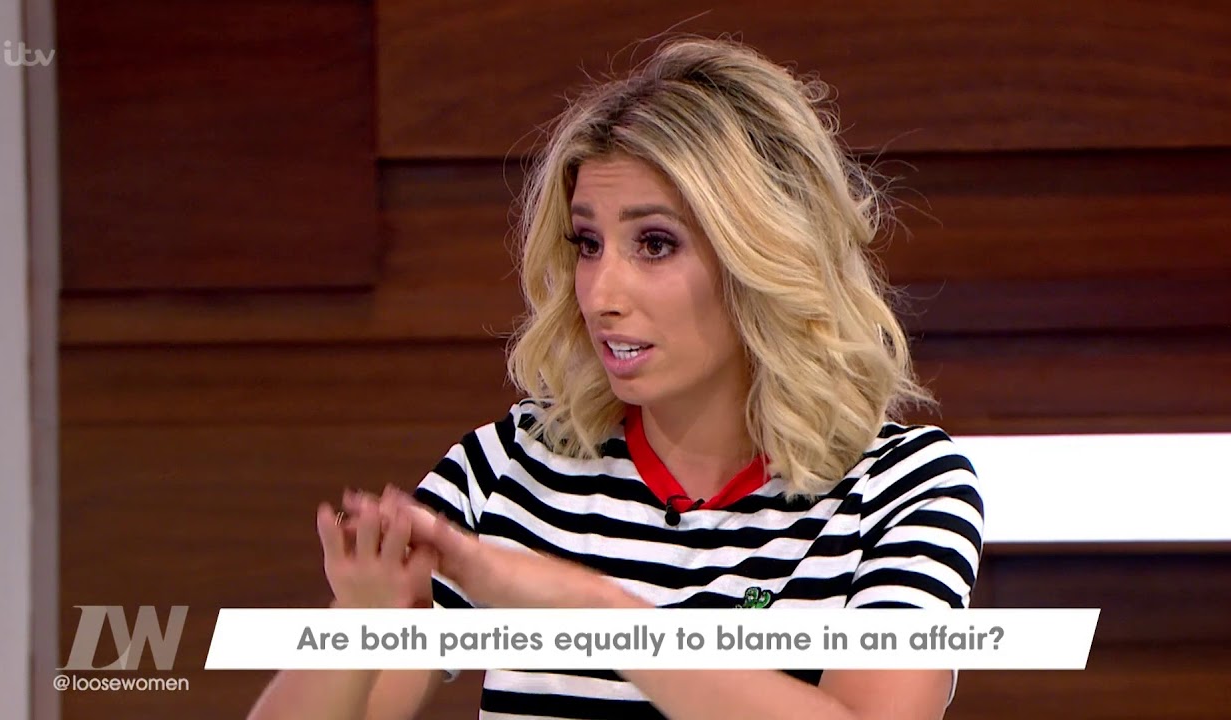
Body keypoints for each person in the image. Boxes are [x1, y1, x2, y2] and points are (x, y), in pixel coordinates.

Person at [247, 34, 984, 720]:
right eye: (588, 243)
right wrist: (358, 621)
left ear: (764, 255)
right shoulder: (506, 469)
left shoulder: (904, 488)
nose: (601, 293)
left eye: (655, 244)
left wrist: (591, 610)